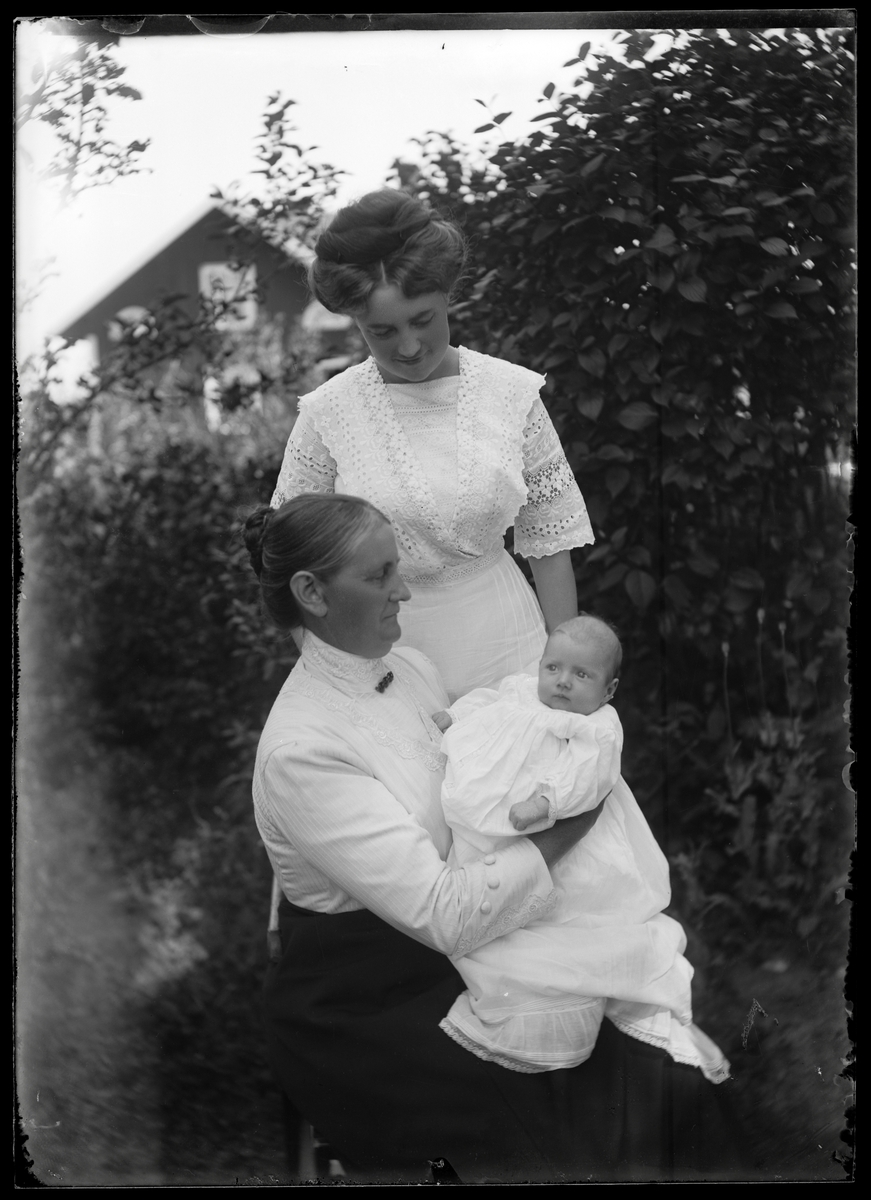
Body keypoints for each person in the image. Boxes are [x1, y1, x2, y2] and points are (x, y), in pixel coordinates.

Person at [245, 493, 746, 1184]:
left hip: (475, 946)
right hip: (364, 996)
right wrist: (573, 819)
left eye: (397, 568)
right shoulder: (301, 751)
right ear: (312, 593)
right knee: (574, 1127)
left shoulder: (411, 668)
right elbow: (444, 914)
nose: (403, 590)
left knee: (656, 1072)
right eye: (380, 575)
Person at [271, 188, 594, 702]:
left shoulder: (510, 393)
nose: (408, 346)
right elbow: (287, 557)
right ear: (355, 321)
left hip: (511, 650)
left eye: (422, 320)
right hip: (385, 663)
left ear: (447, 294)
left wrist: (567, 685)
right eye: (382, 331)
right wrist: (340, 679)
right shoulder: (329, 414)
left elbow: (550, 546)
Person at [431, 615, 730, 1082]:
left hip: (561, 826)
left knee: (573, 896)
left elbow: (589, 776)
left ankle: (562, 961)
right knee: (491, 871)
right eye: (553, 668)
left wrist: (546, 802)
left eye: (582, 675)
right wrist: (456, 716)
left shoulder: (599, 726)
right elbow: (489, 699)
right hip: (497, 816)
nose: (563, 682)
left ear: (609, 691)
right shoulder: (523, 689)